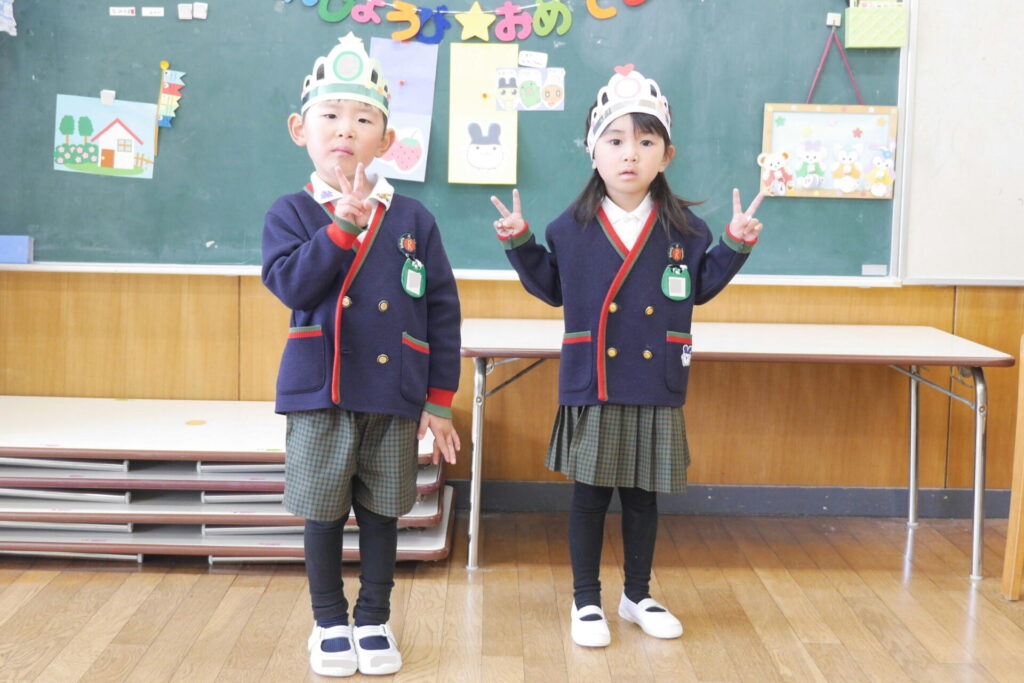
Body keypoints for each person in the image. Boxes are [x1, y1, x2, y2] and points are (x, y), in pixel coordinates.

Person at [489, 65, 764, 648]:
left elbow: (698, 288)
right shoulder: (569, 228)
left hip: (655, 377)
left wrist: (734, 244)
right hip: (597, 377)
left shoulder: (688, 230)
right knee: (589, 496)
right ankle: (585, 599)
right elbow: (552, 288)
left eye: (645, 141)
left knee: (643, 497)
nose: (630, 154)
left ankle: (637, 595)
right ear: (593, 152)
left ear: (667, 155)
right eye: (614, 141)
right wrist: (520, 242)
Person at [262, 32, 461, 677]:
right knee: (322, 513)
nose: (345, 129)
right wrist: (340, 229)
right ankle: (327, 623)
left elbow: (441, 310)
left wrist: (439, 400)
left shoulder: (413, 218)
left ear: (387, 138)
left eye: (363, 119)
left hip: (393, 391)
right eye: (330, 115)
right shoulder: (291, 212)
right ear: (301, 130)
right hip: (320, 391)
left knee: (382, 513)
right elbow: (292, 285)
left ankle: (373, 618)